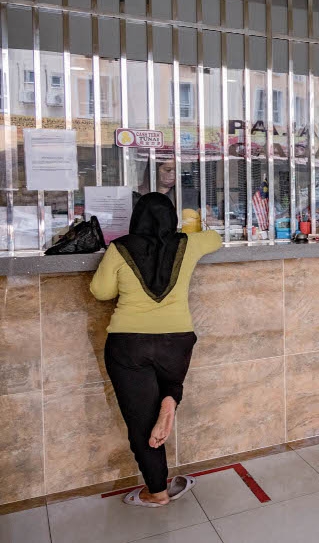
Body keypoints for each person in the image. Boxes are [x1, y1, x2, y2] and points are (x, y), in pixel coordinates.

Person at [90, 192, 222, 507]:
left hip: (129, 344)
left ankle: (157, 491)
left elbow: (100, 291)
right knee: (169, 380)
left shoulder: (120, 248)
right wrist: (187, 233)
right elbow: (215, 237)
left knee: (140, 422)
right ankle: (170, 400)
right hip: (177, 342)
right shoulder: (187, 245)